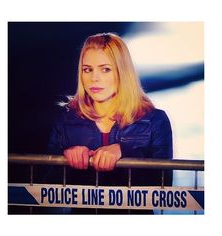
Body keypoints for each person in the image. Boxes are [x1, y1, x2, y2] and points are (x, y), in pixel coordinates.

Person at [47, 32, 173, 214]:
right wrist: (65, 159)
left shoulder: (155, 120)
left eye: (105, 69)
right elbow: (44, 185)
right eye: (87, 69)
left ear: (122, 72)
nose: (94, 78)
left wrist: (125, 152)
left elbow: (163, 188)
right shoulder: (66, 119)